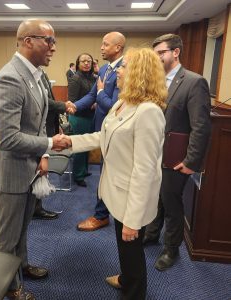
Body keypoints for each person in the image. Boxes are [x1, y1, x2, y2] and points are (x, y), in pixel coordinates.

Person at [62, 47, 167, 300]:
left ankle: (134, 291)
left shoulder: (149, 112)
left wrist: (133, 219)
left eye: (123, 66)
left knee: (132, 251)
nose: (117, 70)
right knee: (124, 247)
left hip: (132, 200)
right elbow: (103, 136)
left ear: (138, 73)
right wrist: (71, 142)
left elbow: (145, 170)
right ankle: (125, 278)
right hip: (116, 191)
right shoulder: (123, 102)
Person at [0, 19, 68, 300]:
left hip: (30, 166)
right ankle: (8, 286)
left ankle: (20, 265)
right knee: (7, 235)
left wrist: (42, 155)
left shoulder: (36, 75)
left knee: (23, 226)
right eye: (49, 40)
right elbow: (8, 139)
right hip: (12, 171)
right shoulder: (9, 77)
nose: (53, 47)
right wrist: (49, 144)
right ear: (28, 41)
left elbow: (38, 123)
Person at [143, 33, 211, 271]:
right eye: (155, 54)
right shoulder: (156, 81)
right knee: (155, 197)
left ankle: (171, 249)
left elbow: (200, 127)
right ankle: (152, 233)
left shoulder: (194, 81)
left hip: (176, 157)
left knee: (171, 203)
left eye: (161, 52)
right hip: (154, 154)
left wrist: (191, 161)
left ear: (175, 52)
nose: (157, 57)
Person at [67, 31, 125, 231]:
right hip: (102, 130)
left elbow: (113, 106)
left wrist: (100, 92)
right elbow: (91, 96)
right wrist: (73, 106)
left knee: (108, 174)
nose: (101, 48)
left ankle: (102, 215)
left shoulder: (124, 70)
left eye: (105, 44)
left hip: (116, 133)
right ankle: (106, 212)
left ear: (118, 47)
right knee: (104, 173)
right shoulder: (103, 70)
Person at [32, 70, 73, 220]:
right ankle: (33, 209)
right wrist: (64, 105)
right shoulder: (28, 74)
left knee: (40, 170)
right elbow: (42, 101)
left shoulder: (40, 71)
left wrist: (57, 126)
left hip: (46, 126)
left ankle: (35, 207)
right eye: (48, 45)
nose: (52, 49)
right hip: (36, 132)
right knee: (37, 169)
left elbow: (48, 99)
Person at [68, 53, 96, 187]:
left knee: (88, 145)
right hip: (79, 117)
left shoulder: (94, 77)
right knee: (79, 146)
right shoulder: (75, 78)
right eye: (83, 61)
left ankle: (84, 170)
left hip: (90, 116)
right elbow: (72, 101)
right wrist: (90, 104)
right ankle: (78, 175)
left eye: (89, 61)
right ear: (78, 63)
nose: (86, 63)